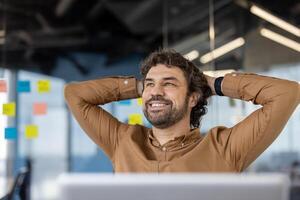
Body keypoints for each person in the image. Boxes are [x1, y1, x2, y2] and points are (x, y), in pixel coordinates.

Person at [64, 49, 300, 172]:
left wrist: (215, 84)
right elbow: (74, 94)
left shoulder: (226, 148)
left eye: (169, 84)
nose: (156, 92)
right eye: (150, 84)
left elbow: (287, 93)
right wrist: (139, 87)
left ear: (192, 98)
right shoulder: (122, 141)